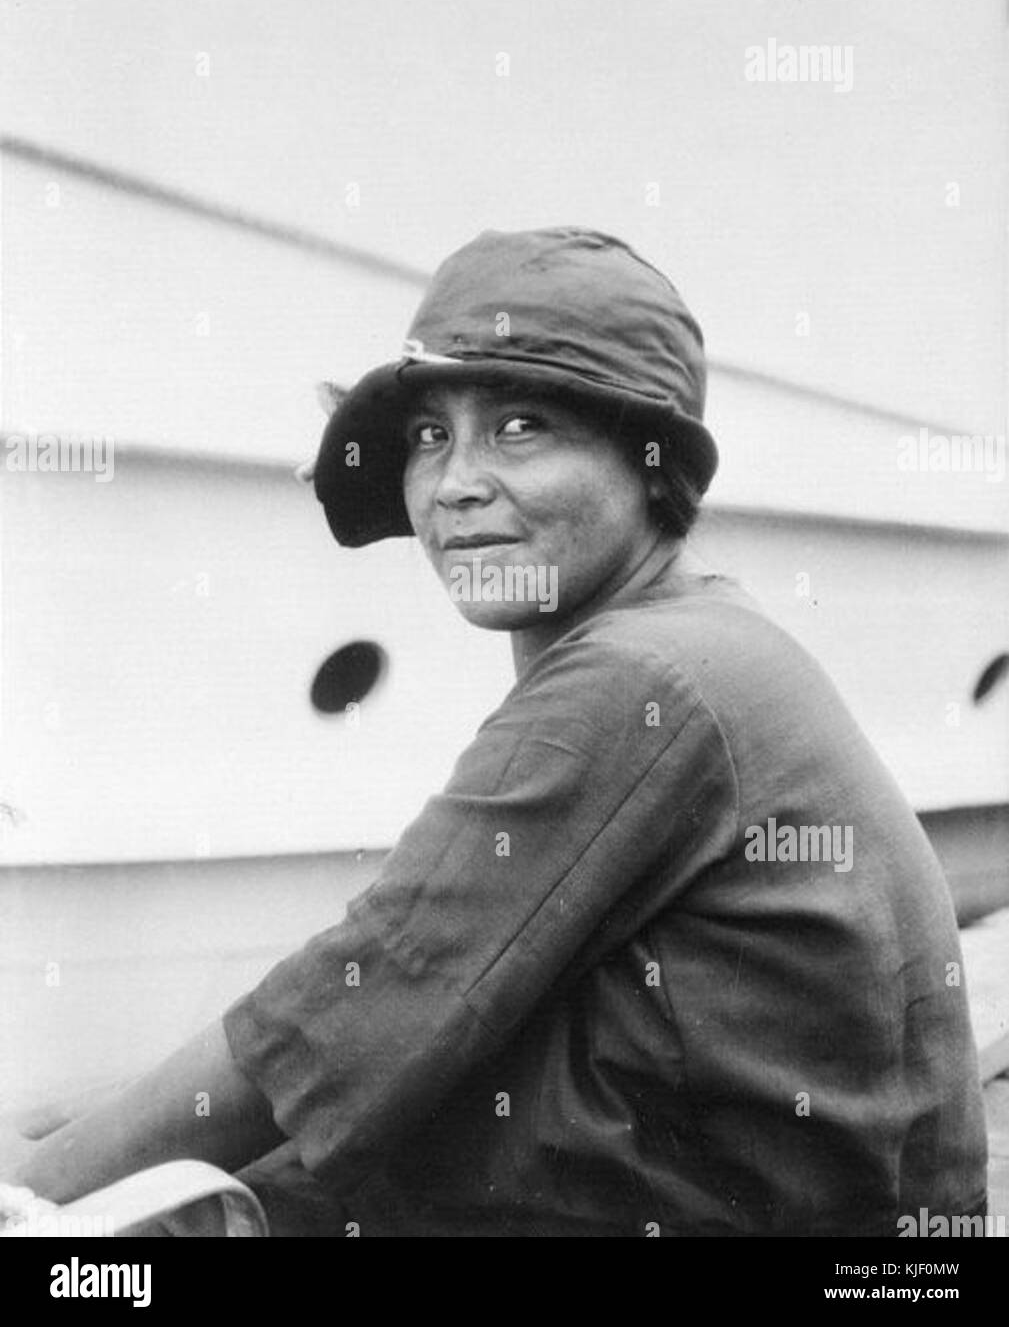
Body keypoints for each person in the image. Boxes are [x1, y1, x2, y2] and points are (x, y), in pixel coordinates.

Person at [8, 227, 987, 1236]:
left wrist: (34, 1184)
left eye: (519, 427)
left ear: (649, 464)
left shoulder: (638, 681)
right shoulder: (696, 633)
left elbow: (339, 1014)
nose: (454, 481)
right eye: (430, 435)